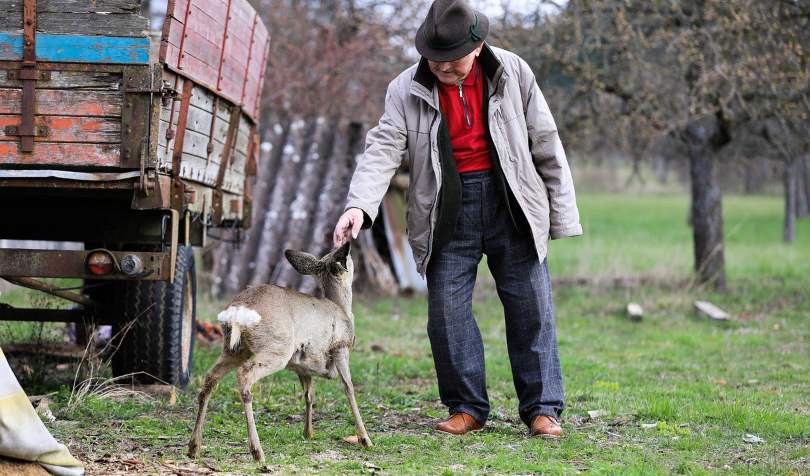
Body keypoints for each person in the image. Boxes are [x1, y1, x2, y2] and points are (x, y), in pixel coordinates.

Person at [333, 0, 582, 438]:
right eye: (439, 62)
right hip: (445, 208)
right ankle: (466, 407)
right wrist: (360, 205)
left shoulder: (513, 71)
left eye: (456, 63)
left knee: (532, 308)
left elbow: (546, 141)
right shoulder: (404, 88)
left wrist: (560, 216)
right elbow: (383, 148)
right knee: (446, 314)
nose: (447, 70)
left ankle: (543, 409)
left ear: (479, 45)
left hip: (513, 203)